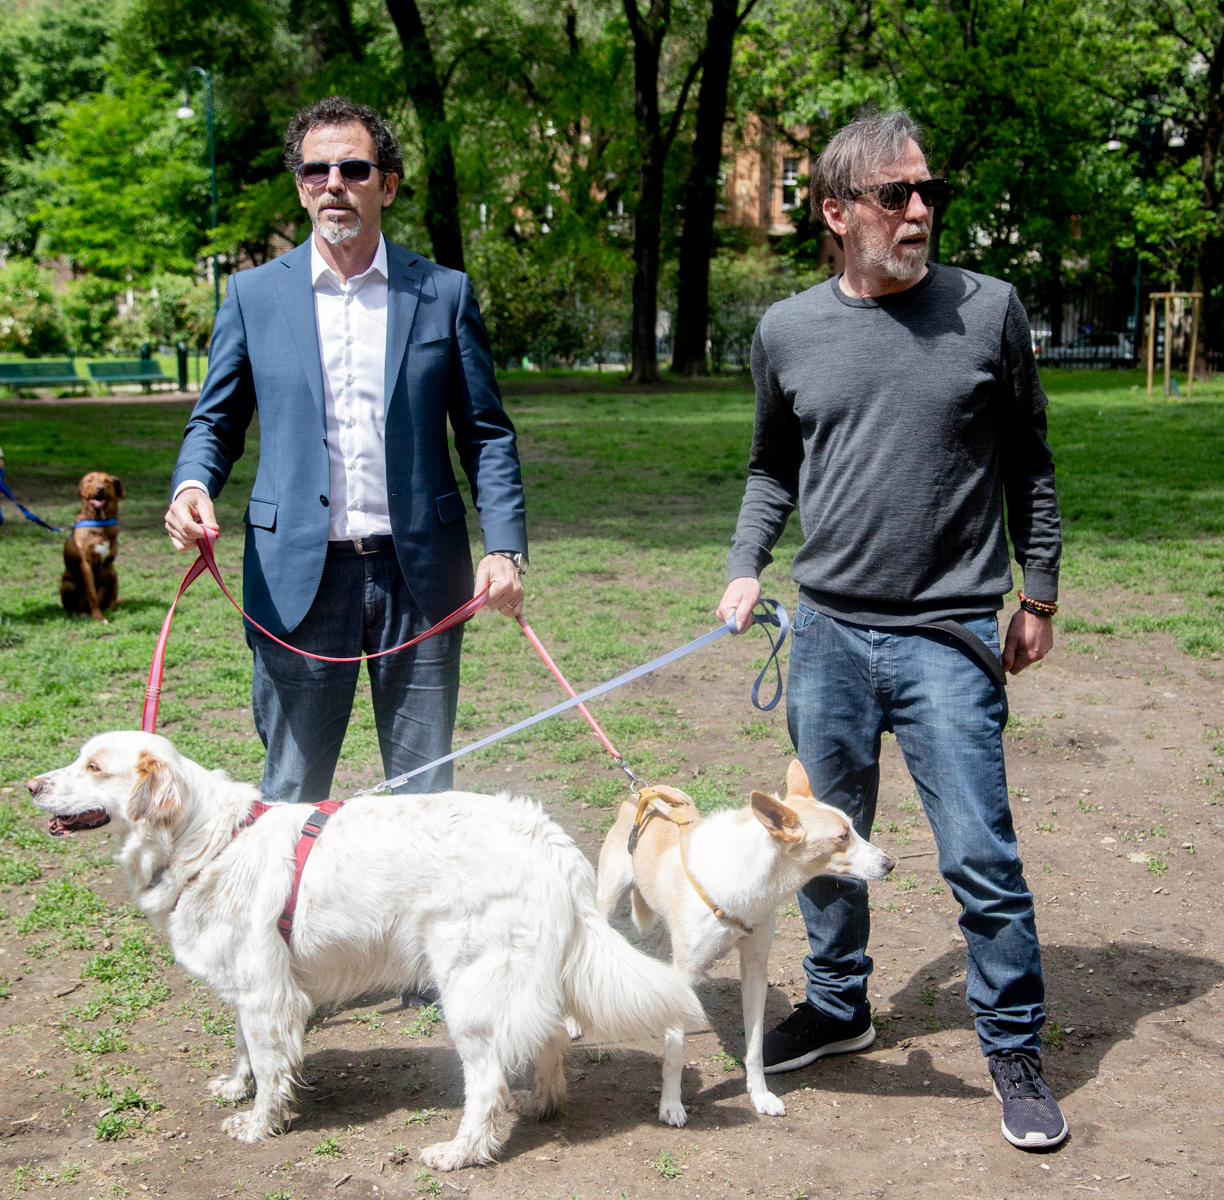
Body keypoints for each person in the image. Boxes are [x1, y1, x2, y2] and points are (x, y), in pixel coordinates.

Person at [716, 110, 1067, 1150]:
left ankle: (1012, 1044)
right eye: (895, 195)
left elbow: (1032, 463)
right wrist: (745, 563)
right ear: (836, 212)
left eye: (928, 192)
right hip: (826, 635)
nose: (920, 211)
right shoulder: (787, 331)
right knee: (818, 846)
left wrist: (1039, 594)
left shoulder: (989, 311)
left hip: (949, 635)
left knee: (981, 857)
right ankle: (838, 1005)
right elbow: (772, 465)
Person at [165, 96, 527, 805]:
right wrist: (191, 486)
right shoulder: (252, 295)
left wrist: (505, 548)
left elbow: (485, 433)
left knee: (425, 802)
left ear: (386, 185)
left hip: (419, 577)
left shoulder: (443, 293)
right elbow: (214, 422)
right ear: (301, 187)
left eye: (354, 169)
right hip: (296, 580)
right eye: (316, 170)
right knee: (291, 797)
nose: (334, 183)